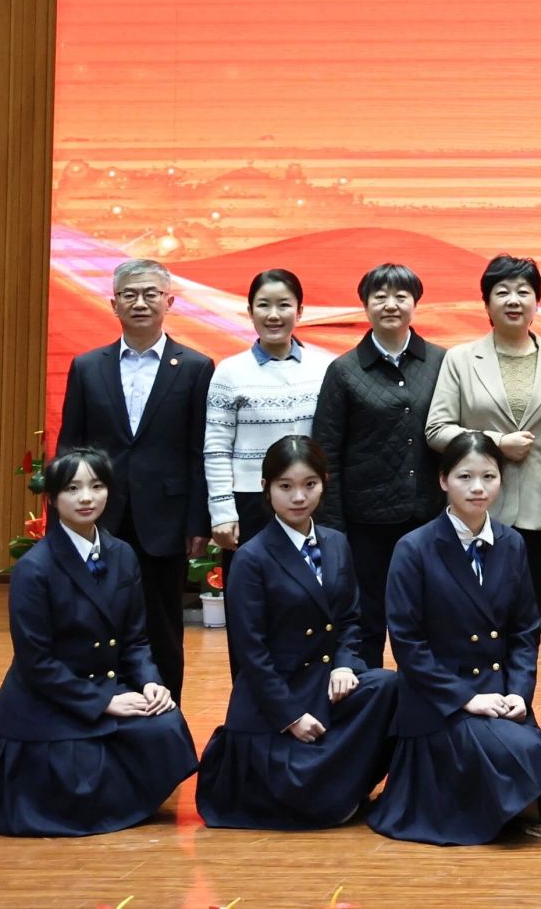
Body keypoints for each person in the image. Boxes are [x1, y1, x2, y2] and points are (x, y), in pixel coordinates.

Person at [0, 449, 197, 835]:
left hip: (104, 685)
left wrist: (150, 682)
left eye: (96, 486)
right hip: (49, 695)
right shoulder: (34, 569)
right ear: (52, 498)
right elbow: (36, 663)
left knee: (166, 728)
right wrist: (104, 702)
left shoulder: (123, 555)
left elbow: (135, 640)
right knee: (75, 768)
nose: (86, 498)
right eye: (73, 488)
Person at [366, 432, 541, 845]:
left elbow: (524, 631)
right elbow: (408, 646)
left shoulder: (512, 543)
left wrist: (519, 692)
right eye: (465, 477)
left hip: (499, 697)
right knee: (525, 773)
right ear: (443, 480)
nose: (478, 488)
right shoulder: (414, 548)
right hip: (440, 705)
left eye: (489, 476)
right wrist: (466, 698)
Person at [195, 436, 400, 829]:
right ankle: (330, 792)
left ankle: (345, 789)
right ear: (266, 487)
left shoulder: (336, 543)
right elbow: (251, 653)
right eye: (285, 486)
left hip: (324, 685)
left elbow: (350, 619)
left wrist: (344, 664)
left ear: (324, 483)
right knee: (297, 781)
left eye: (310, 484)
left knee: (390, 687)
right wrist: (289, 717)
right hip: (275, 697)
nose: (299, 497)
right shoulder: (251, 558)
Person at [53, 258, 214, 702]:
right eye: (129, 294)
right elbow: (70, 447)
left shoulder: (196, 367)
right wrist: (64, 519)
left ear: (169, 302)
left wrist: (197, 522)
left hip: (164, 520)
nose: (140, 303)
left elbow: (198, 452)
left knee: (162, 626)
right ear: (114, 304)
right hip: (98, 516)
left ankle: (164, 719)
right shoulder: (88, 367)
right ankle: (100, 709)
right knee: (94, 618)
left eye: (150, 294)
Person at [313, 263, 448, 669]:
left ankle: (424, 705)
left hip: (426, 520)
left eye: (401, 296)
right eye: (380, 296)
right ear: (365, 304)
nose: (391, 305)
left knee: (427, 623)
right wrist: (333, 530)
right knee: (366, 624)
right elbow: (326, 454)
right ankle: (369, 702)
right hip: (364, 525)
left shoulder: (442, 362)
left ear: (415, 303)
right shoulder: (343, 371)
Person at [427, 254, 541, 617]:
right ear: (487, 304)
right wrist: (496, 442)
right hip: (476, 507)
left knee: (528, 615)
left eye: (523, 291)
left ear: (537, 301)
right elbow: (437, 429)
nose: (513, 300)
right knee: (472, 614)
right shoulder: (460, 359)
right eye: (502, 292)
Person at [204, 268, 331, 564]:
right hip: (250, 500)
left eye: (284, 305)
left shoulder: (325, 367)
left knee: (311, 582)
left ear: (300, 311)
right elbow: (216, 448)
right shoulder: (229, 372)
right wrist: (222, 512)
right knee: (250, 584)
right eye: (264, 305)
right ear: (250, 312)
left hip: (308, 499)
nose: (274, 315)